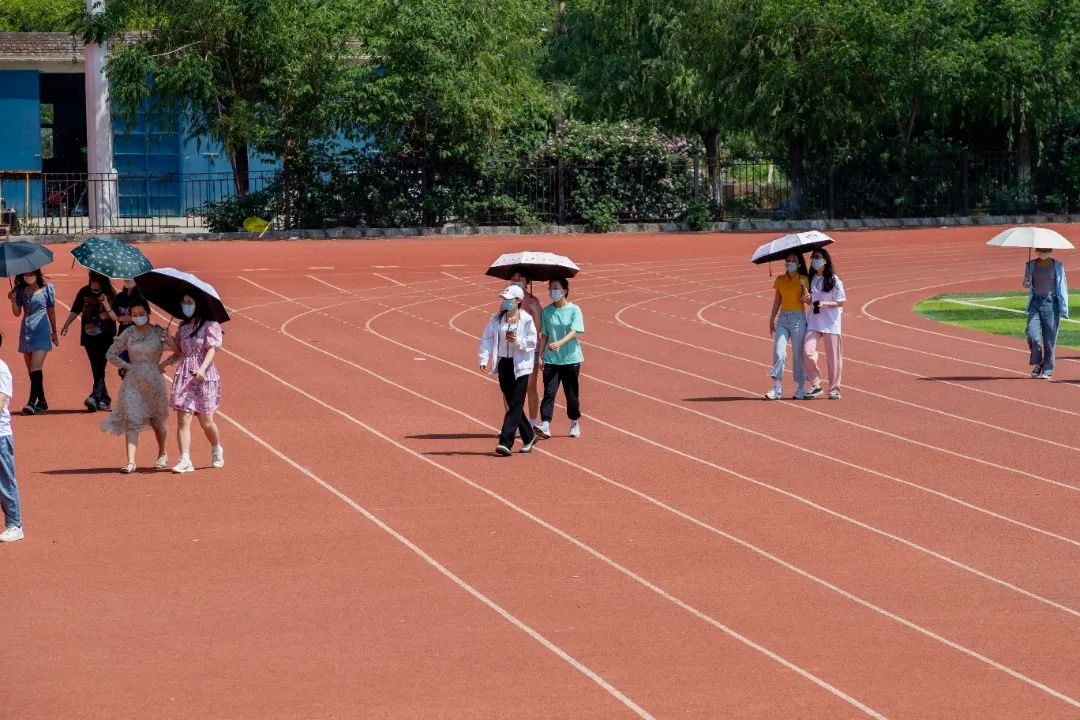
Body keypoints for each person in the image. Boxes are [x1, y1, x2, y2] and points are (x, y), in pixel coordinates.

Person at [103, 300, 176, 473]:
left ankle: (162, 453)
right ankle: (131, 462)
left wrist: (164, 362)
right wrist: (126, 366)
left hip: (154, 382)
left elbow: (178, 351)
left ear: (148, 313)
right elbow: (110, 353)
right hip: (133, 381)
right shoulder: (128, 333)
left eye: (141, 313)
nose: (138, 317)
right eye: (134, 314)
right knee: (132, 418)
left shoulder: (159, 332)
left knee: (157, 420)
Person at [162, 294, 224, 473]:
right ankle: (185, 459)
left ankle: (216, 448)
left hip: (204, 375)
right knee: (183, 418)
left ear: (198, 305)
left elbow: (212, 349)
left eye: (190, 302)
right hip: (185, 374)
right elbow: (180, 350)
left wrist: (203, 369)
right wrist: (169, 340)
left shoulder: (210, 325)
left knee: (206, 421)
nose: (186, 305)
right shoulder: (183, 326)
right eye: (184, 302)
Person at [477, 285, 538, 456]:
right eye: (504, 299)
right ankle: (529, 436)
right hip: (504, 364)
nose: (505, 302)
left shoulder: (526, 319)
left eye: (509, 299)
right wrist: (484, 358)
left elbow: (532, 342)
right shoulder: (496, 319)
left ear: (518, 301)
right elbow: (487, 339)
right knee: (514, 404)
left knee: (516, 404)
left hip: (521, 366)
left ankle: (505, 442)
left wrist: (517, 341)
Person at [60, 271, 119, 412]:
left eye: (96, 280)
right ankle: (104, 399)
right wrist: (67, 324)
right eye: (92, 279)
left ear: (103, 280)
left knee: (100, 366)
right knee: (96, 367)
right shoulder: (84, 292)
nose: (93, 282)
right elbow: (75, 310)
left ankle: (94, 396)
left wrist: (107, 311)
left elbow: (116, 315)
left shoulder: (110, 294)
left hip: (106, 336)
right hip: (88, 336)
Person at [537, 278, 585, 438]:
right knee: (549, 392)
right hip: (551, 360)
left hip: (570, 359)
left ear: (565, 290)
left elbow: (575, 330)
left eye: (556, 288)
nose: (552, 292)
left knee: (571, 394)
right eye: (550, 288)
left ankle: (574, 421)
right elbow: (544, 334)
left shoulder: (574, 310)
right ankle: (545, 423)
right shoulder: (547, 311)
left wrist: (560, 343)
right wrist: (539, 355)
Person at [8, 269, 58, 415]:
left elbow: (51, 311)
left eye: (31, 274)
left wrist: (54, 332)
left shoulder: (46, 289)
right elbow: (17, 313)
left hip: (41, 330)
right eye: (25, 274)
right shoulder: (19, 290)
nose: (28, 277)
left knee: (36, 367)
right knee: (31, 369)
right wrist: (13, 300)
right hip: (26, 330)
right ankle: (42, 401)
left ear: (37, 274)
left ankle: (31, 402)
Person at [802, 248, 846, 400]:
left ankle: (834, 388)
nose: (815, 260)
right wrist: (806, 298)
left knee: (833, 358)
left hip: (831, 323)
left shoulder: (834, 280)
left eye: (818, 257)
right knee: (807, 351)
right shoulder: (810, 278)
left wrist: (825, 303)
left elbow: (840, 301)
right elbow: (809, 301)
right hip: (813, 321)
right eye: (813, 257)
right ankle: (815, 384)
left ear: (825, 260)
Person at [766, 253, 810, 400]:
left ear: (798, 264)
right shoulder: (780, 280)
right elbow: (777, 300)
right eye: (787, 261)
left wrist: (805, 296)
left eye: (792, 261)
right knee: (779, 351)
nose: (789, 263)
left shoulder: (803, 279)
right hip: (783, 318)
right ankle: (777, 387)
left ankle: (801, 387)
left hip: (798, 318)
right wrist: (772, 318)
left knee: (798, 354)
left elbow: (808, 300)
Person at [1023, 248, 1069, 379]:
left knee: (1049, 340)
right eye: (1041, 251)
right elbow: (1026, 284)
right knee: (1032, 335)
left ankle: (1047, 369)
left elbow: (1062, 286)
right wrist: (1026, 280)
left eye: (1046, 251)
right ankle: (1039, 362)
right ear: (1037, 251)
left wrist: (1064, 308)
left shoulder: (1058, 265)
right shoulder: (1030, 265)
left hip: (1051, 304)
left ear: (1050, 252)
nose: (1043, 253)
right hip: (1035, 304)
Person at [509, 269, 544, 432]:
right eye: (513, 279)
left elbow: (539, 328)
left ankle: (531, 421)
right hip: (511, 349)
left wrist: (535, 311)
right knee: (510, 388)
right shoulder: (508, 300)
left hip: (530, 349)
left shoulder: (533, 301)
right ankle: (512, 422)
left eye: (520, 279)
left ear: (527, 282)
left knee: (530, 386)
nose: (516, 281)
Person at [0, 333, 23, 542]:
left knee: (4, 481)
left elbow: (1, 400)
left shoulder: (1, 369)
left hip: (1, 435)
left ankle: (14, 524)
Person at [112, 279, 145, 380]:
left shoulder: (140, 298)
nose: (127, 280)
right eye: (125, 278)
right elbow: (115, 317)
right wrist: (105, 303)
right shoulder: (119, 297)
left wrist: (130, 318)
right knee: (123, 371)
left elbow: (145, 318)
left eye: (130, 279)